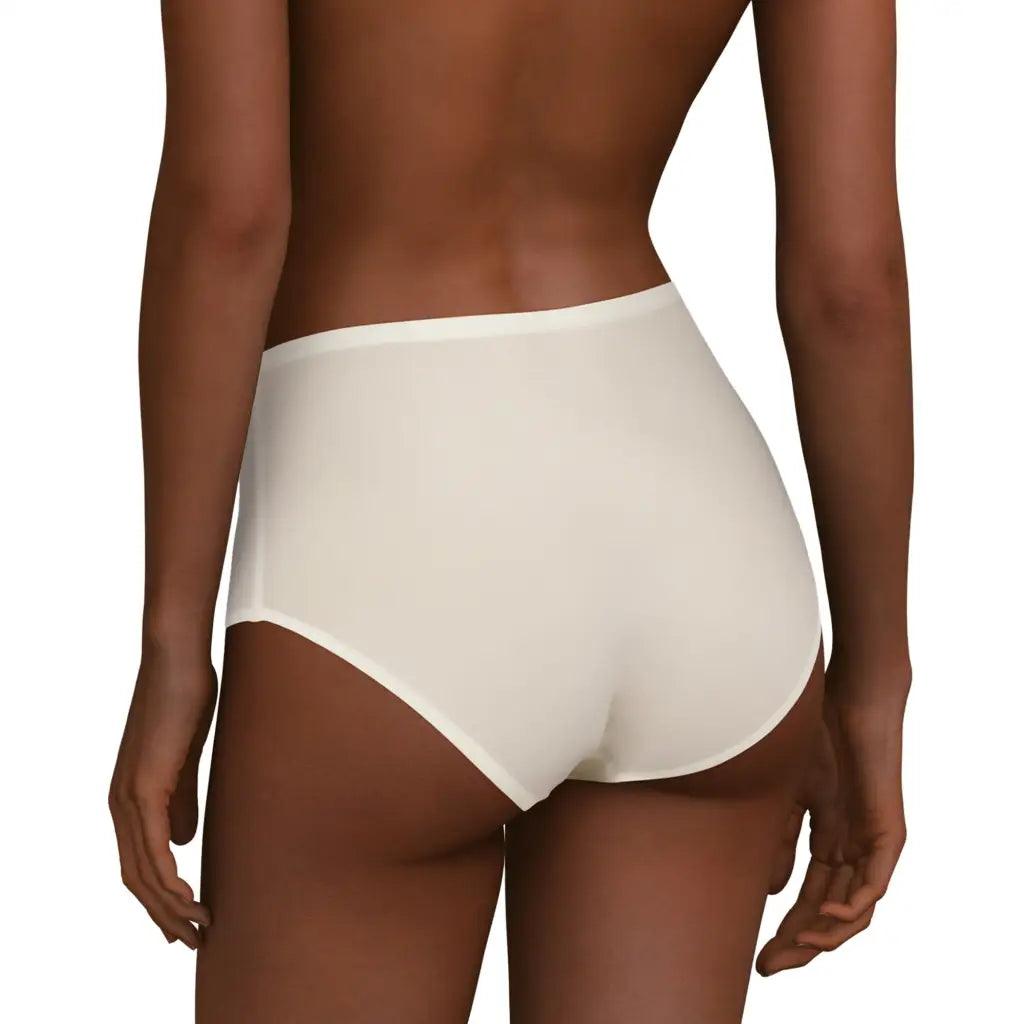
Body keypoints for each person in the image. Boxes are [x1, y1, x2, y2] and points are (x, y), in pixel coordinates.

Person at [109, 0, 913, 1020]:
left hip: (392, 538)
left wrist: (173, 646)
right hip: (702, 537)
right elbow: (850, 281)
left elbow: (228, 216)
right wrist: (872, 683)